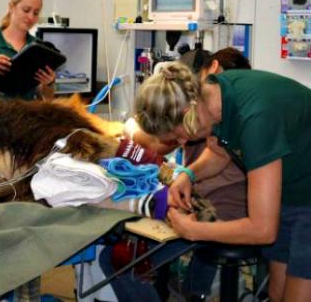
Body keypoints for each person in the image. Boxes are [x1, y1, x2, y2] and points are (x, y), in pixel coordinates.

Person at [135, 54, 311, 301]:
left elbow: (263, 229)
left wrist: (194, 230)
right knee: (276, 293)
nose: (183, 142)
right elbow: (219, 151)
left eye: (179, 135)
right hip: (292, 191)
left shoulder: (255, 118)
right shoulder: (214, 95)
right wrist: (188, 174)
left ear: (187, 111)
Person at [103, 47, 252, 301]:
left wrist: (128, 126)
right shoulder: (227, 114)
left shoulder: (202, 120)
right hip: (221, 209)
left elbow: (157, 146)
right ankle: (194, 291)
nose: (184, 137)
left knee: (118, 259)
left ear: (212, 70)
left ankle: (192, 290)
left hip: (216, 215)